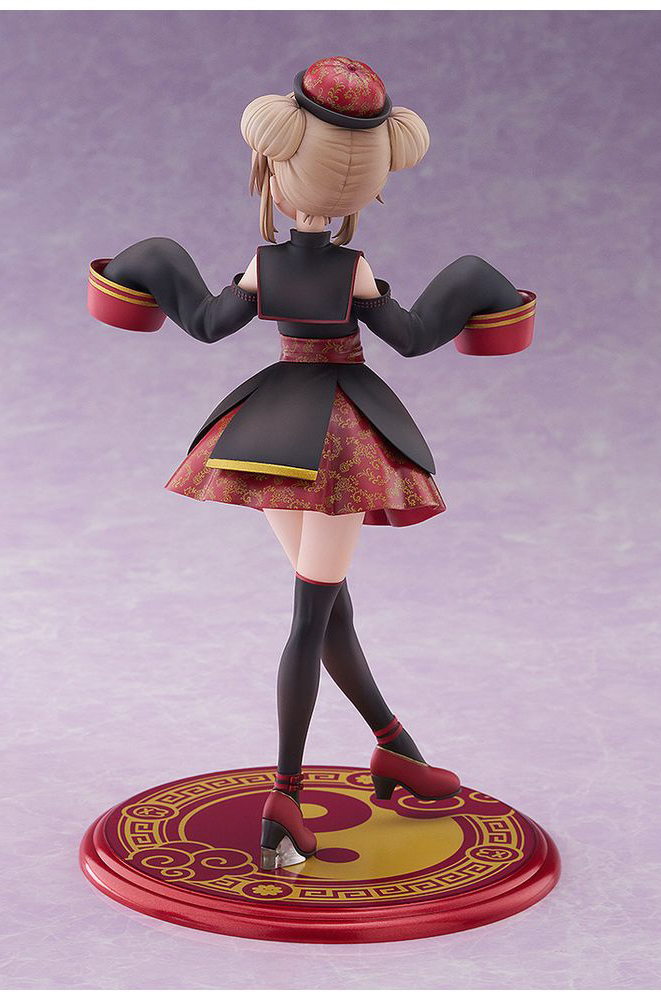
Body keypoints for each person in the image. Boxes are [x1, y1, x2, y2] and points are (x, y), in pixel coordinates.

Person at [87, 56, 532, 870]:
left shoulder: (263, 266)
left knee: (329, 613)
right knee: (312, 617)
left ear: (274, 171)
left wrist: (148, 262)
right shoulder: (352, 269)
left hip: (271, 435)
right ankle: (284, 798)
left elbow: (208, 322)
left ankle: (395, 747)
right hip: (339, 442)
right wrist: (474, 284)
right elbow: (411, 338)